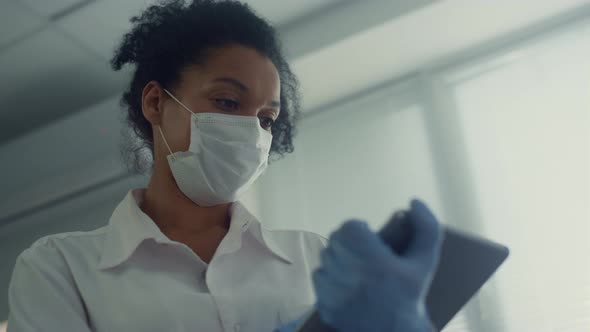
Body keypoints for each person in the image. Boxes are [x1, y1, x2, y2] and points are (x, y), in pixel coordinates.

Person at [6, 1, 442, 331]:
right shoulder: (60, 267)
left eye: (265, 119)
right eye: (227, 102)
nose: (249, 131)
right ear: (156, 102)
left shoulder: (313, 259)